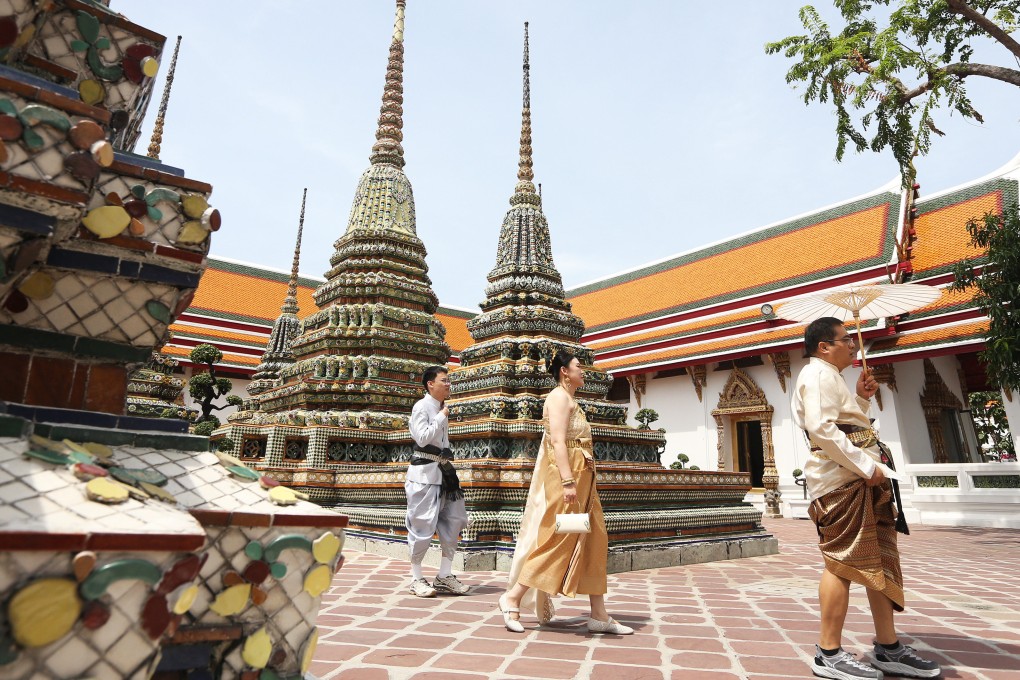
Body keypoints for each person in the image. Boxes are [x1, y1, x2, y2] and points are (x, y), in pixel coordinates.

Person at [793, 317, 940, 680]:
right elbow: (823, 429)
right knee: (841, 563)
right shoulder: (816, 375)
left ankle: (888, 647)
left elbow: (849, 423)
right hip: (842, 480)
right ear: (824, 346)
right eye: (846, 340)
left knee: (879, 561)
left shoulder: (832, 377)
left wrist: (861, 396)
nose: (853, 346)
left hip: (864, 476)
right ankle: (828, 652)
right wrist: (863, 464)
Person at [499, 350, 633, 635]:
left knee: (595, 537)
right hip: (568, 477)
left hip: (584, 476)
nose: (582, 371)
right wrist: (568, 481)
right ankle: (513, 597)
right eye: (578, 367)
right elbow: (557, 441)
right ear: (564, 371)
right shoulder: (558, 397)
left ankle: (599, 613)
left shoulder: (571, 399)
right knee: (560, 537)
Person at [405, 365, 470, 598]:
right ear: (430, 384)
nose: (449, 384)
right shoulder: (422, 407)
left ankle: (444, 575)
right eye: (445, 380)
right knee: (422, 524)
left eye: (449, 380)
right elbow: (421, 438)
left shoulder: (442, 407)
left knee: (455, 519)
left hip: (445, 472)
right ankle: (416, 577)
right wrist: (441, 417)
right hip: (424, 473)